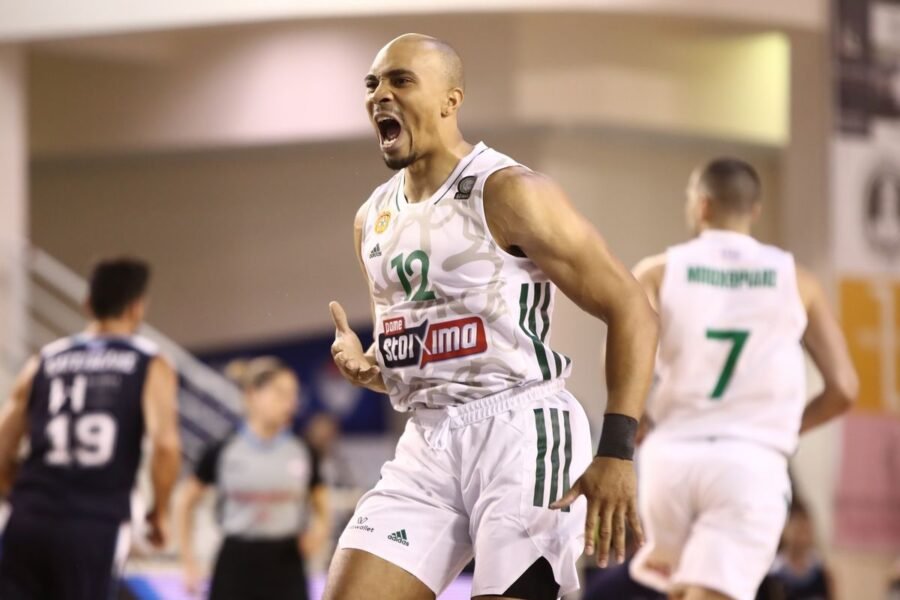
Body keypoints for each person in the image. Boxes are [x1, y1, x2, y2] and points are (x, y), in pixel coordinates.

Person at [325, 33, 659, 600]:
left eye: (401, 80)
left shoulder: (508, 190)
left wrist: (617, 450)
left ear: (450, 100)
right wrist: (374, 369)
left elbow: (632, 308)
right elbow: (434, 350)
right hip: (427, 438)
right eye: (372, 83)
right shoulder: (371, 218)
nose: (380, 94)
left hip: (520, 430)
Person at [629, 158, 859, 600]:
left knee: (683, 590)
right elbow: (844, 388)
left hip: (669, 461)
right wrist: (784, 430)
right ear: (754, 210)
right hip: (748, 463)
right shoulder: (798, 281)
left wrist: (633, 418)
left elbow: (625, 350)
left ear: (701, 205)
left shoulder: (658, 270)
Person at [0, 257, 181, 600]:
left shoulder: (43, 360)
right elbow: (166, 447)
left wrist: (16, 490)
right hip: (94, 521)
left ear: (87, 304)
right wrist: (160, 511)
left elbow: (2, 445)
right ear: (137, 307)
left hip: (29, 517)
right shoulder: (149, 362)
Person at [177, 357, 330, 600]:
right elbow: (185, 502)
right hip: (236, 564)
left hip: (287, 564)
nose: (290, 402)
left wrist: (319, 532)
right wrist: (188, 561)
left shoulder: (302, 451)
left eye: (293, 394)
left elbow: (321, 500)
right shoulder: (224, 449)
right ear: (252, 395)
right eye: (280, 393)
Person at [769, 501, 833, 600]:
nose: (802, 537)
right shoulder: (773, 573)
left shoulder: (821, 571)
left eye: (806, 530)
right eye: (798, 530)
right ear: (785, 530)